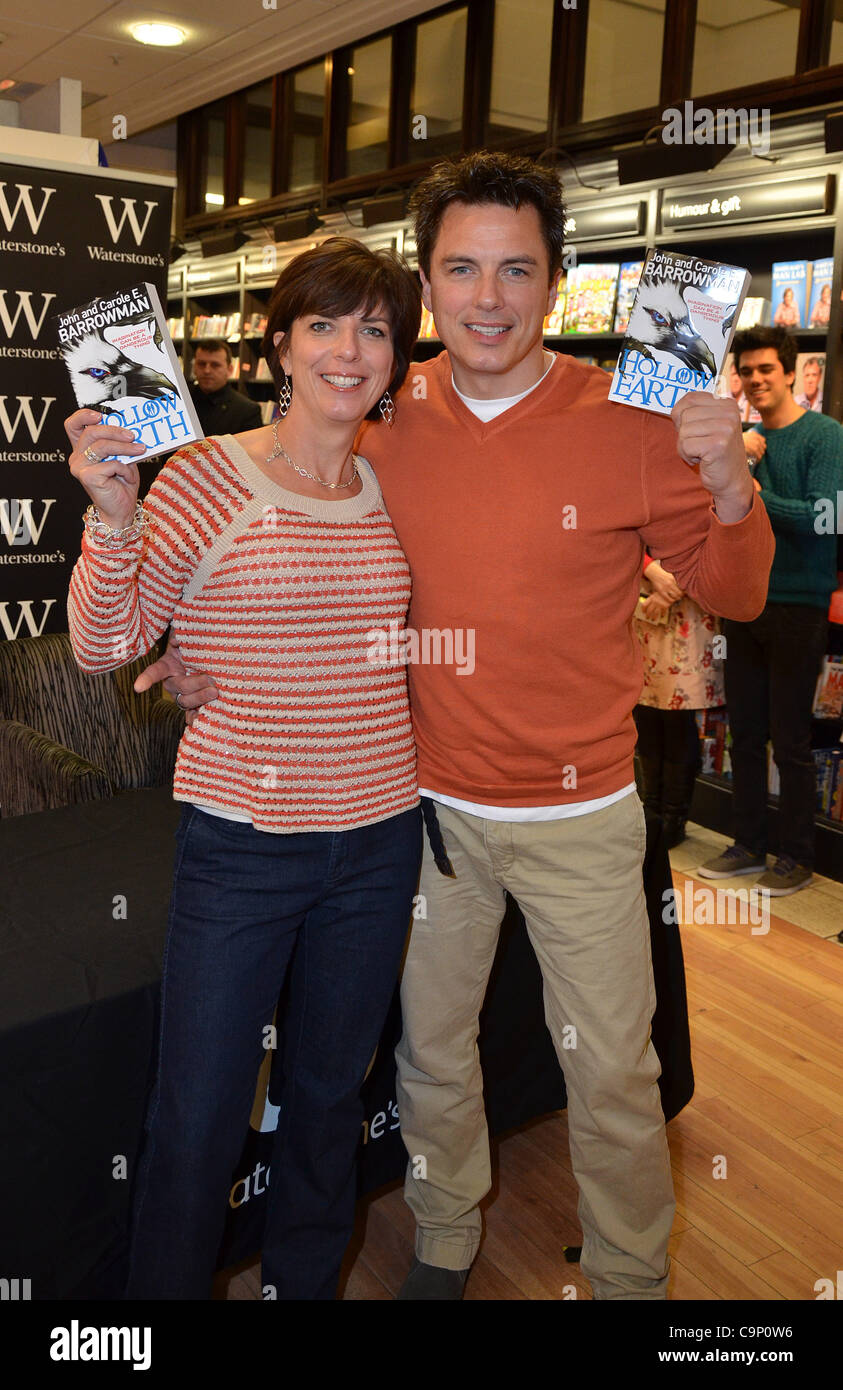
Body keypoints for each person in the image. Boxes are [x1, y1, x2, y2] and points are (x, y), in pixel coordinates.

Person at [94, 151, 775, 1302]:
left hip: (581, 807)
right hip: (422, 814)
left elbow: (742, 592)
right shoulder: (385, 418)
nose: (489, 296)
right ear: (431, 285)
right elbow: (271, 556)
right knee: (427, 1061)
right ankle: (447, 1237)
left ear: (556, 284)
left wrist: (729, 484)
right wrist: (176, 650)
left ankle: (628, 1277)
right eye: (462, 268)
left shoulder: (638, 419)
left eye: (516, 269)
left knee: (610, 1068)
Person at [64, 238, 424, 1300]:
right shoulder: (208, 476)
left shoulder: (388, 481)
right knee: (200, 1112)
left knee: (326, 1097)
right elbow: (103, 643)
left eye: (374, 328)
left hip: (377, 840)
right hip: (241, 845)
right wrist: (114, 513)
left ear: (398, 355)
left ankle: (300, 1289)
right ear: (278, 343)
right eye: (323, 324)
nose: (348, 350)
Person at [698, 325, 843, 895]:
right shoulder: (745, 437)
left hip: (797, 605)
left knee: (791, 738)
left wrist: (752, 485)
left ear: (789, 372)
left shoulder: (825, 435)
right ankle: (749, 845)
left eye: (766, 370)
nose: (756, 380)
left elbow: (823, 516)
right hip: (744, 601)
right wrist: (741, 457)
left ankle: (799, 856)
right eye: (747, 371)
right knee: (745, 731)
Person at [634, 556, 725, 848]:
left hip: (690, 606)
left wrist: (671, 587)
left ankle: (674, 819)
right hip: (642, 601)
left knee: (677, 715)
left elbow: (718, 549)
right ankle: (650, 812)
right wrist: (649, 569)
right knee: (644, 710)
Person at [189, 337, 263, 433]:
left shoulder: (247, 411)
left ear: (230, 370)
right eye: (201, 364)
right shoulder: (177, 401)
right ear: (194, 367)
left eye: (215, 365)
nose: (207, 370)